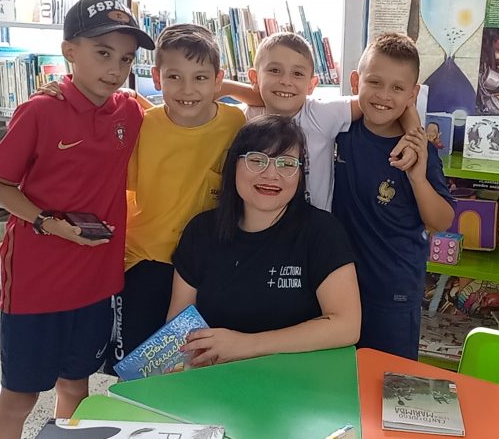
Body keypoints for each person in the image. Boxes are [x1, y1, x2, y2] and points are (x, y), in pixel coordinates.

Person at [0, 0, 153, 439]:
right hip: (38, 281)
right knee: (19, 395)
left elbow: (188, 102)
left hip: (98, 279)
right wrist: (46, 223)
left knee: (77, 385)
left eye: (126, 58)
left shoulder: (129, 111)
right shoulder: (40, 111)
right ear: (69, 51)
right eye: (103, 53)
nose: (115, 68)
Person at [34, 24, 247, 372]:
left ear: (217, 81)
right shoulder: (139, 123)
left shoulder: (234, 122)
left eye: (200, 78)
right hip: (144, 263)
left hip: (206, 268)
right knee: (134, 367)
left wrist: (226, 87)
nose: (188, 89)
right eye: (174, 77)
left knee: (197, 364)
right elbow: (91, 126)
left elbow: (267, 95)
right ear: (157, 78)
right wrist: (63, 92)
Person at [167, 115, 361, 365]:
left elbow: (346, 326)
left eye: (286, 163)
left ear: (300, 173)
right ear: (233, 165)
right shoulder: (201, 231)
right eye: (257, 160)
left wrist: (245, 345)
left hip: (297, 379)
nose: (271, 174)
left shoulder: (322, 231)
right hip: (215, 379)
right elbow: (178, 330)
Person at [332, 32, 455, 359]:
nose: (384, 96)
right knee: (336, 374)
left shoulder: (419, 148)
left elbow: (442, 220)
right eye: (374, 82)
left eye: (398, 88)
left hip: (392, 290)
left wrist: (416, 177)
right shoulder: (339, 131)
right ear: (355, 81)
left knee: (388, 379)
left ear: (412, 94)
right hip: (335, 285)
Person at [221, 32, 418, 211]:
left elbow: (381, 103)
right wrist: (228, 87)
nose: (286, 81)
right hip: (263, 225)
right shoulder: (245, 118)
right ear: (254, 77)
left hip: (315, 230)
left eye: (297, 73)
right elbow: (209, 95)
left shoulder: (322, 114)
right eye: (274, 70)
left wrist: (413, 139)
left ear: (311, 84)